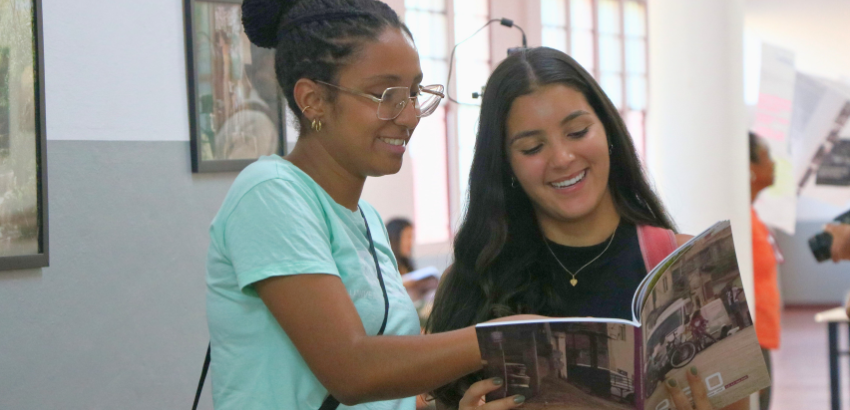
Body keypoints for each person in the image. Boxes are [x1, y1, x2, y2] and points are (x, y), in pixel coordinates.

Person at [205, 1, 536, 409]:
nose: (411, 115)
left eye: (414, 93)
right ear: (313, 100)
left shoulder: (369, 222)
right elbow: (352, 372)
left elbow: (384, 394)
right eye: (387, 94)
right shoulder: (269, 193)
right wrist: (505, 336)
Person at [426, 47, 747, 410]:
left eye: (577, 132)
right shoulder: (472, 284)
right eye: (532, 148)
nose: (562, 158)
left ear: (608, 130)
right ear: (506, 166)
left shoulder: (685, 262)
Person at [750, 132, 781, 410]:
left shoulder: (752, 215)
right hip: (750, 340)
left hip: (762, 336)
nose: (773, 164)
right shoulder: (740, 218)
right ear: (750, 169)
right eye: (766, 157)